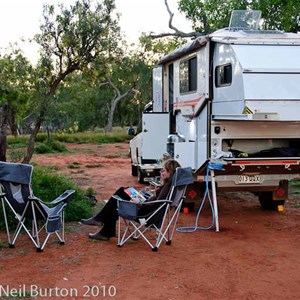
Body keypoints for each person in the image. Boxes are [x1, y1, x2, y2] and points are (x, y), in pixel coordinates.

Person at [81, 159, 181, 241]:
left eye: (163, 170)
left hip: (145, 214)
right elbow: (158, 203)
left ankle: (102, 224)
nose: (160, 172)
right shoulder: (171, 186)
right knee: (123, 193)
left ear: (170, 172)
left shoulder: (167, 187)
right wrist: (143, 198)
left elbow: (156, 205)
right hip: (147, 208)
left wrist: (140, 203)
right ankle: (103, 228)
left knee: (120, 194)